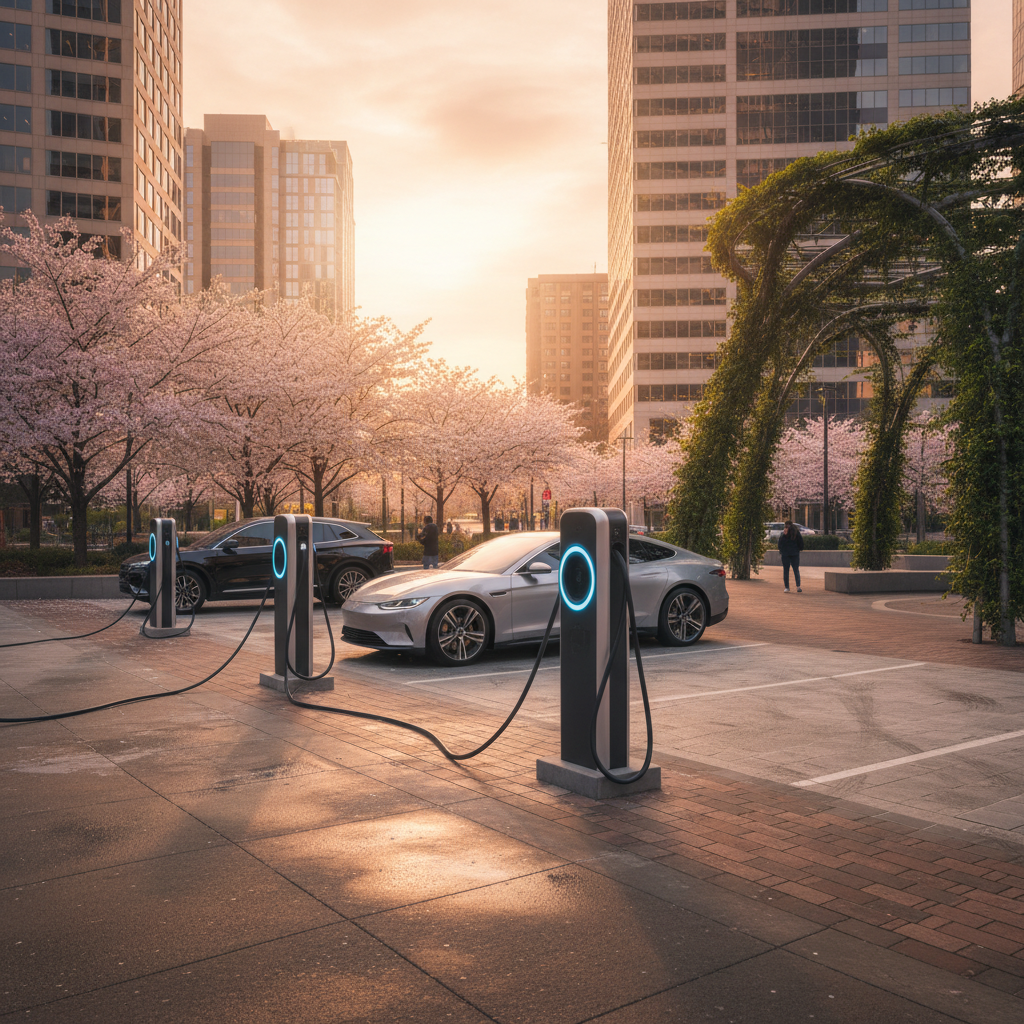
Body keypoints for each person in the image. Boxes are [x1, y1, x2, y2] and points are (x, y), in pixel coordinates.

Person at [777, 520, 803, 593]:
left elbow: (780, 543)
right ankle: (798, 586)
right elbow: (801, 543)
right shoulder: (796, 533)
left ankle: (787, 587)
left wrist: (781, 550)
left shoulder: (784, 534)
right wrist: (799, 549)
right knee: (796, 570)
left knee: (786, 570)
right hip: (794, 554)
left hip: (786, 554)